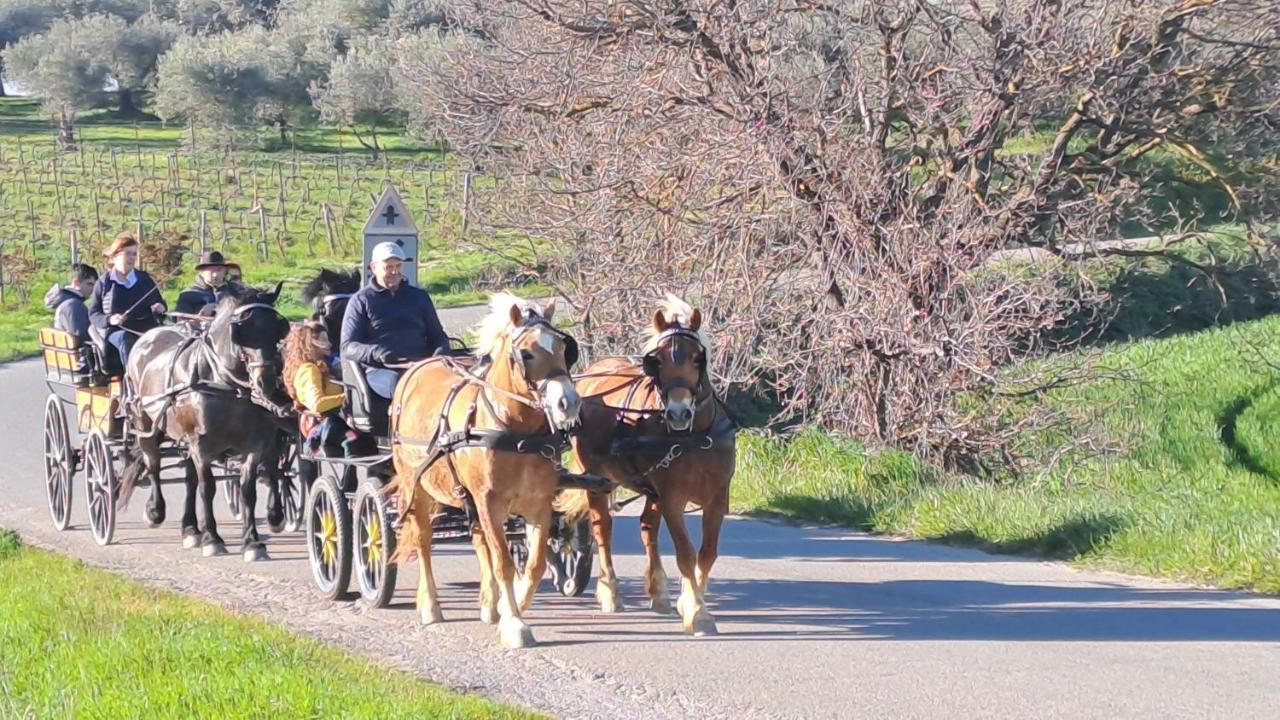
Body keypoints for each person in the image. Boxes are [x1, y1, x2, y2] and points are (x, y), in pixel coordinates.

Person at [340, 241, 449, 399]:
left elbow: (438, 335)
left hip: (421, 366)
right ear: (373, 267)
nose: (394, 272)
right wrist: (375, 352)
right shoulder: (361, 301)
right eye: (388, 267)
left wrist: (440, 354)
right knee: (406, 387)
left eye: (398, 266)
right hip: (382, 370)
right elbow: (348, 347)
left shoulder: (419, 297)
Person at [284, 320, 358, 486]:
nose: (329, 343)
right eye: (324, 339)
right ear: (311, 343)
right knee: (353, 437)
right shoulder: (308, 370)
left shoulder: (326, 365)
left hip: (336, 416)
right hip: (321, 421)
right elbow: (317, 404)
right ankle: (348, 482)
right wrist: (349, 398)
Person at [89, 232, 167, 370]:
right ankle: (132, 379)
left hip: (145, 328)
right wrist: (110, 320)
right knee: (125, 338)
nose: (131, 258)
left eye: (134, 254)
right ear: (114, 257)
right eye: (127, 253)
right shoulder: (104, 282)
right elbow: (94, 314)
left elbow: (161, 303)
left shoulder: (144, 279)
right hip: (117, 331)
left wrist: (160, 307)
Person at [44, 263, 98, 344]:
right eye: (90, 284)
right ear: (76, 283)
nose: (93, 289)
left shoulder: (64, 301)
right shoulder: (74, 305)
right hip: (79, 355)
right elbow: (82, 338)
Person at [175, 251, 239, 317]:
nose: (215, 274)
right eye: (211, 270)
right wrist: (200, 314)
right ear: (201, 272)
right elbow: (181, 321)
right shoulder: (189, 294)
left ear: (225, 271)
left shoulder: (237, 291)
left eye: (219, 270)